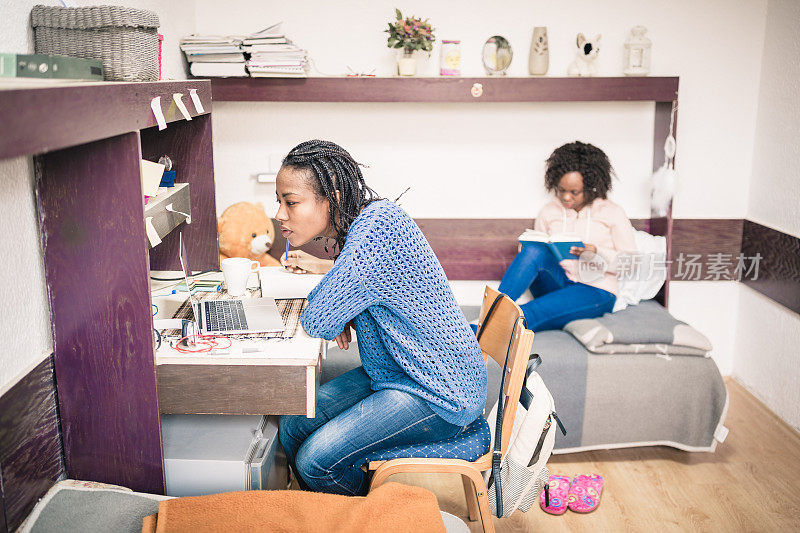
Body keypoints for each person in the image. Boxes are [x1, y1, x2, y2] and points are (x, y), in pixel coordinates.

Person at [276, 140, 487, 497]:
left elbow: (318, 319)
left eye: (291, 202)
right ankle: (323, 514)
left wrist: (340, 308)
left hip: (439, 391)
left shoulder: (377, 230)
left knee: (316, 462)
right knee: (293, 425)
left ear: (334, 197)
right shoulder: (364, 225)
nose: (280, 214)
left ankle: (368, 516)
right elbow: (337, 300)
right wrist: (341, 304)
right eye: (279, 201)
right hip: (399, 372)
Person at [498, 141, 637, 332]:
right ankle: (492, 312)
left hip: (596, 290)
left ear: (591, 186)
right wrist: (527, 252)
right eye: (561, 190)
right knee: (533, 251)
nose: (566, 198)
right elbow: (540, 255)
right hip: (559, 283)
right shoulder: (549, 211)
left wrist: (596, 251)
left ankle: (478, 331)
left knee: (528, 313)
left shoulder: (612, 212)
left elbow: (632, 264)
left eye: (574, 192)